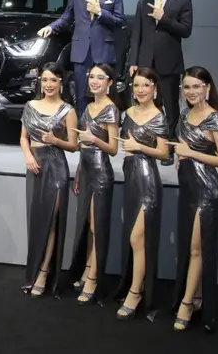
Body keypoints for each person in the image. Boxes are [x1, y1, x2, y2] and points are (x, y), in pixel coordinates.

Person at [170, 66, 218, 333]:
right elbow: (182, 147)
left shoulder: (214, 118)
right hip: (187, 188)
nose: (191, 91)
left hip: (207, 191)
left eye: (196, 86)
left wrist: (191, 153)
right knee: (189, 248)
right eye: (187, 86)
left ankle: (187, 303)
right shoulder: (185, 114)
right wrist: (180, 157)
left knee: (197, 249)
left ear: (207, 87)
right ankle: (195, 297)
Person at [113, 67, 170, 322]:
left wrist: (139, 147)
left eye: (146, 85)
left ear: (154, 89)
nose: (141, 89)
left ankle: (135, 293)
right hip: (131, 181)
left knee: (136, 238)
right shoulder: (128, 113)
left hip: (148, 182)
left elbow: (165, 153)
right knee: (135, 240)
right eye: (137, 85)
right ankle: (138, 285)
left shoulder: (158, 116)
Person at [37, 0, 125, 117]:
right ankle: (80, 128)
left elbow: (119, 21)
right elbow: (66, 18)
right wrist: (51, 27)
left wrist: (100, 12)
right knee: (81, 94)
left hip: (103, 50)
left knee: (103, 94)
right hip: (81, 50)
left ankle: (103, 127)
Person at [19, 62, 78, 298]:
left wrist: (55, 141)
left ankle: (44, 273)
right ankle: (34, 271)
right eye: (45, 80)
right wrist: (28, 156)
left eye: (53, 80)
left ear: (61, 82)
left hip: (56, 167)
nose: (49, 84)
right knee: (36, 221)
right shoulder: (30, 106)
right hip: (35, 167)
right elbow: (23, 138)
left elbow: (73, 145)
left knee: (51, 222)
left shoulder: (68, 110)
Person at [128, 0, 193, 165]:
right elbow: (137, 34)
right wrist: (133, 60)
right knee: (146, 105)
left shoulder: (183, 2)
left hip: (169, 63)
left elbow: (186, 30)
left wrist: (164, 18)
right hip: (145, 63)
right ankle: (147, 144)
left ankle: (169, 148)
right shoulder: (143, 2)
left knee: (171, 107)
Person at [67, 62, 121, 305]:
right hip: (86, 171)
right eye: (92, 77)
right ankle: (88, 269)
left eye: (100, 77)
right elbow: (82, 145)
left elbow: (113, 148)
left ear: (109, 83)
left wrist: (94, 139)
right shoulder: (89, 107)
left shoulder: (111, 109)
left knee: (97, 227)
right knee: (88, 225)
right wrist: (79, 171)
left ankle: (93, 278)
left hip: (101, 174)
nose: (95, 81)